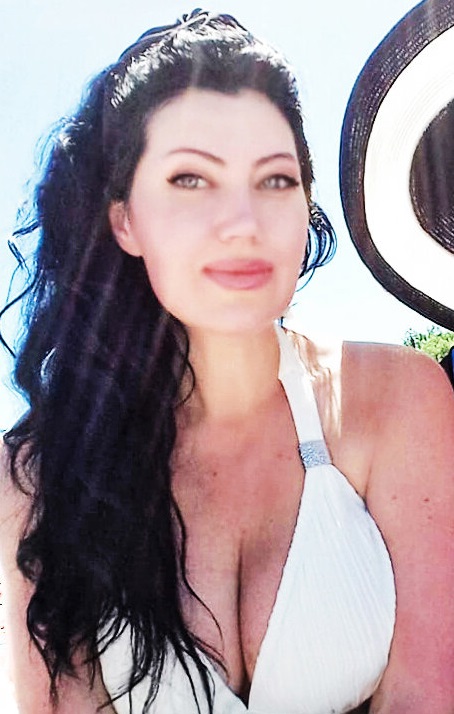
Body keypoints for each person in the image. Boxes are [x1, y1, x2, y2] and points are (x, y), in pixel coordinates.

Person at [0, 10, 453, 714]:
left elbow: (428, 693)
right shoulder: (38, 476)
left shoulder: (400, 399)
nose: (243, 222)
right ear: (125, 219)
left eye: (275, 180)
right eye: (190, 179)